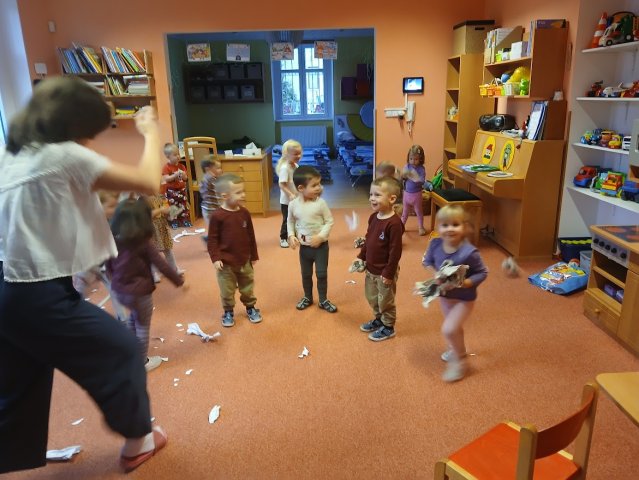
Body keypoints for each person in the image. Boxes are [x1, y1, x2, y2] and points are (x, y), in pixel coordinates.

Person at [0, 77, 167, 474]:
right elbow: (148, 181)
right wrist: (151, 133)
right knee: (121, 351)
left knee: (19, 383)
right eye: (91, 134)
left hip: (8, 289)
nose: (91, 144)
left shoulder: (14, 155)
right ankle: (138, 442)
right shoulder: (64, 155)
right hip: (38, 293)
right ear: (74, 128)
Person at [107, 197, 186, 374]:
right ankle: (142, 362)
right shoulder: (143, 243)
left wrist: (114, 279)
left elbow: (108, 264)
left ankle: (128, 350)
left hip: (120, 291)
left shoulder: (114, 240)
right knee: (142, 325)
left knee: (133, 318)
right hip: (140, 292)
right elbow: (162, 265)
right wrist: (179, 281)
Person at [422, 205, 488, 382]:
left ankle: (460, 361)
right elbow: (427, 262)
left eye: (455, 224)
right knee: (455, 328)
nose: (449, 229)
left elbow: (482, 272)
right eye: (445, 225)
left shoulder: (469, 252)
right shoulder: (435, 244)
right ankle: (457, 349)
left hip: (464, 299)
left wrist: (466, 283)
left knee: (449, 329)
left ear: (464, 227)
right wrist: (435, 274)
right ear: (438, 227)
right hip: (445, 296)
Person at [352, 176, 404, 342]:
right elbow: (369, 239)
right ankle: (379, 319)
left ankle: (388, 326)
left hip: (385, 271)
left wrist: (389, 273)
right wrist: (361, 257)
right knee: (372, 297)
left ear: (392, 199)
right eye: (371, 194)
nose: (372, 198)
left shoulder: (394, 224)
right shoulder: (373, 217)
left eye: (377, 195)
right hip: (371, 269)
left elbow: (395, 251)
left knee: (385, 301)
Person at [207, 173, 262, 327]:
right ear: (225, 196)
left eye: (243, 191)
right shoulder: (217, 216)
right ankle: (228, 311)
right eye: (238, 192)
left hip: (244, 260)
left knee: (248, 287)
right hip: (225, 264)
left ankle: (250, 307)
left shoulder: (244, 213)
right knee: (227, 290)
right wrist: (215, 258)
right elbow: (212, 240)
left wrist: (254, 255)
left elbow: (250, 235)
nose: (243, 195)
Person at [286, 166, 337, 313]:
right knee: (306, 274)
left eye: (319, 184)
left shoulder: (321, 204)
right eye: (314, 185)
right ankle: (308, 297)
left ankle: (323, 300)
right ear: (301, 188)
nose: (319, 188)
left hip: (321, 248)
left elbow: (329, 221)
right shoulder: (293, 205)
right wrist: (291, 235)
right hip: (304, 249)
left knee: (321, 274)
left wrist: (321, 237)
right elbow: (290, 221)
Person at [145, 192, 183, 283]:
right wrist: (160, 210)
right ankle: (154, 273)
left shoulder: (158, 196)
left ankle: (174, 269)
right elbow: (147, 215)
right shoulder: (143, 200)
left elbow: (164, 210)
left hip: (162, 226)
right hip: (152, 228)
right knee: (153, 252)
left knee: (168, 249)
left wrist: (170, 212)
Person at [276, 139, 301, 248]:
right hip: (287, 201)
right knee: (287, 219)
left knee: (297, 218)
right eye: (295, 154)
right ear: (286, 154)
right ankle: (283, 238)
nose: (298, 156)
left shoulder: (296, 166)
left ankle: (293, 235)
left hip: (296, 199)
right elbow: (282, 184)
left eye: (299, 153)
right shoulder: (285, 168)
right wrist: (290, 194)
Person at [161, 142, 191, 229]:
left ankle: (185, 220)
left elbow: (185, 179)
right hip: (171, 191)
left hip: (181, 190)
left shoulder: (182, 166)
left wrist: (184, 175)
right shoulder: (166, 167)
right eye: (175, 155)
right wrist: (175, 175)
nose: (178, 156)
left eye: (178, 154)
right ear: (168, 156)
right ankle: (174, 221)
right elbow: (166, 179)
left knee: (183, 205)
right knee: (173, 207)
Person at [400, 145, 427, 235]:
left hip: (417, 195)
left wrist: (417, 178)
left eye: (416, 159)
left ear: (421, 159)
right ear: (408, 158)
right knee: (405, 212)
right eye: (411, 159)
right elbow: (402, 178)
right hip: (406, 194)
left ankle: (421, 227)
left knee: (419, 212)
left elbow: (422, 180)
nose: (413, 161)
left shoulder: (421, 169)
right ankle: (401, 226)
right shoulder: (407, 166)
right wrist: (403, 175)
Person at [199, 155, 223, 243]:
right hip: (209, 210)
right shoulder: (208, 179)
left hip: (215, 208)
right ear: (208, 170)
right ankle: (211, 241)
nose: (221, 170)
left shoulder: (214, 179)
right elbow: (205, 188)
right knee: (214, 228)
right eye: (218, 168)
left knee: (218, 227)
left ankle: (209, 239)